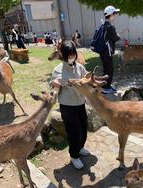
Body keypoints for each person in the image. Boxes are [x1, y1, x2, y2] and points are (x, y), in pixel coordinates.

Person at [50, 40, 90, 170]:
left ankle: (80, 147)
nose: (71, 57)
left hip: (80, 103)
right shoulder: (58, 70)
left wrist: (90, 78)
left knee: (83, 128)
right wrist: (55, 85)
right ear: (63, 55)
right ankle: (74, 156)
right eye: (69, 55)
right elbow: (54, 85)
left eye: (73, 54)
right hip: (67, 106)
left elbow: (86, 78)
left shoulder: (79, 67)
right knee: (74, 132)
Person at [100, 5, 120, 94]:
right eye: (115, 13)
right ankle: (106, 88)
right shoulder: (110, 27)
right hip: (107, 52)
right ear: (111, 15)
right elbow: (116, 38)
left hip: (102, 52)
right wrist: (118, 35)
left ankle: (105, 86)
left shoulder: (103, 25)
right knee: (109, 70)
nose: (116, 15)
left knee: (106, 69)